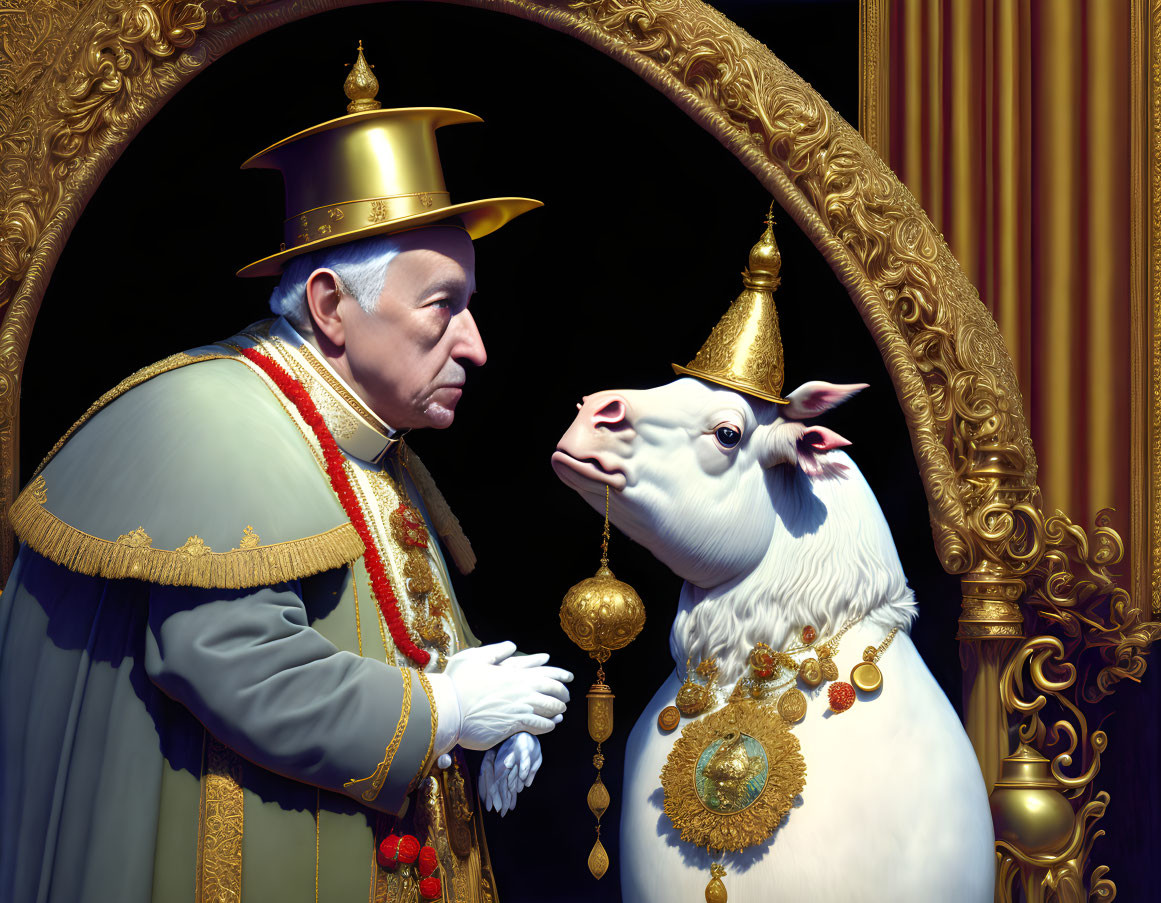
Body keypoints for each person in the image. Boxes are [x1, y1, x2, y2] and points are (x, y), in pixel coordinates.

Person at [0, 44, 571, 903]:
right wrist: (446, 714)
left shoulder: (363, 434)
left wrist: (483, 716)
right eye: (442, 306)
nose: (475, 345)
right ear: (332, 307)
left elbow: (396, 628)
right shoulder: (215, 421)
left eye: (471, 304)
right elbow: (236, 664)